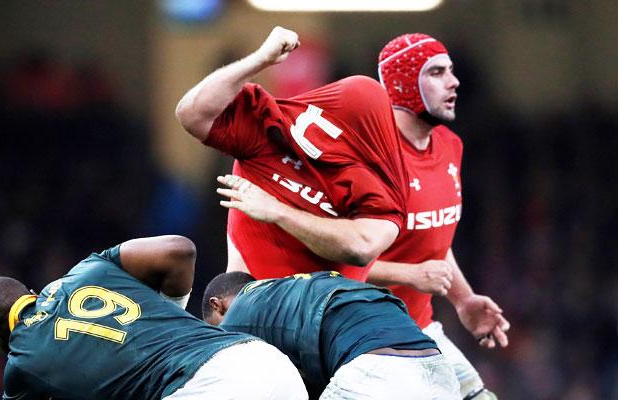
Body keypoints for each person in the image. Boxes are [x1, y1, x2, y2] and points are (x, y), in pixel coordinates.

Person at [175, 26, 409, 281]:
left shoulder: (383, 188)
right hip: (252, 303)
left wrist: (278, 211)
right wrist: (260, 59)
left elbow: (361, 246)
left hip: (326, 313)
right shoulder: (271, 130)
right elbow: (191, 114)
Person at [0, 235, 307, 400]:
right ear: (31, 292)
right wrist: (171, 314)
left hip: (207, 389)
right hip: (265, 360)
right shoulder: (89, 269)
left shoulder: (20, 367)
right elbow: (179, 249)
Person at [368, 33, 510, 399]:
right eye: (436, 72)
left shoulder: (450, 144)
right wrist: (410, 274)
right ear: (403, 85)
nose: (454, 81)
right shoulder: (372, 159)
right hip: (365, 338)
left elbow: (435, 239)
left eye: (451, 71)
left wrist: (463, 299)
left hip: (422, 327)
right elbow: (330, 265)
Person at [203, 270, 461, 400]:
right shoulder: (298, 289)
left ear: (218, 305)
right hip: (437, 369)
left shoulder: (235, 318)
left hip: (374, 372)